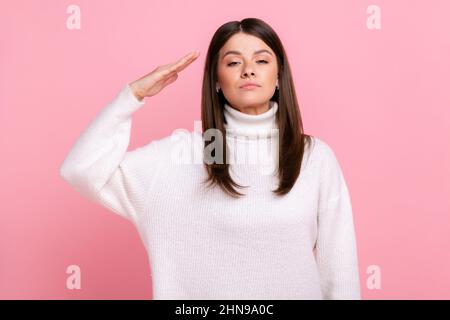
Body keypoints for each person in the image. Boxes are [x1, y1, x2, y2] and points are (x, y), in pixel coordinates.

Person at [60, 17, 361, 299]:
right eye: (233, 62)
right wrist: (133, 95)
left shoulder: (315, 158)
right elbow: (80, 170)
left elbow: (340, 273)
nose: (248, 69)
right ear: (216, 80)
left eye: (261, 60)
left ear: (279, 75)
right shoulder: (178, 156)